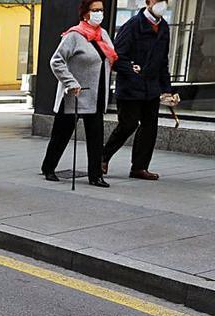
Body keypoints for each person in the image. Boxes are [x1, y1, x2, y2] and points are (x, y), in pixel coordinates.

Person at [41, 0, 114, 188]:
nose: (100, 13)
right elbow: (56, 61)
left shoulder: (103, 35)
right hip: (74, 95)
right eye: (95, 10)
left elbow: (111, 59)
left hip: (96, 95)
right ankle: (49, 167)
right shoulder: (74, 35)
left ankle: (95, 175)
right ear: (85, 14)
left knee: (96, 137)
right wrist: (71, 82)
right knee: (62, 134)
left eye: (102, 10)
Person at [101, 0, 177, 180]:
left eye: (165, 1)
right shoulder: (133, 25)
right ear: (148, 2)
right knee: (128, 124)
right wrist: (131, 68)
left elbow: (163, 62)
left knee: (150, 127)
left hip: (151, 88)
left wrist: (167, 89)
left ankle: (139, 167)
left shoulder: (164, 27)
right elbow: (117, 58)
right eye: (158, 1)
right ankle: (102, 157)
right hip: (130, 87)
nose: (162, 5)